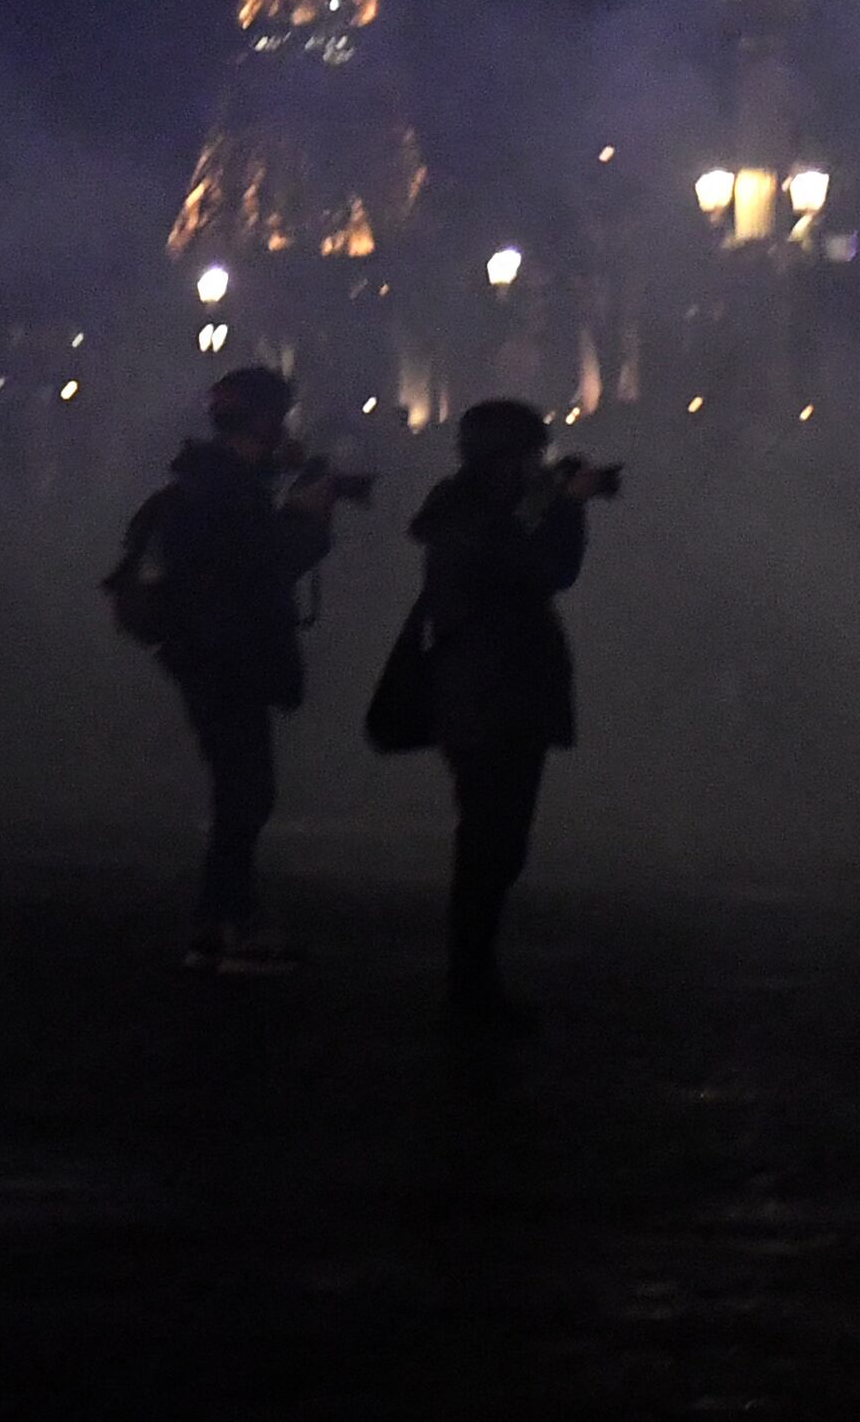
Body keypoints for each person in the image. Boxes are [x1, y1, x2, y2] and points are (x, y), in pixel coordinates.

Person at [127, 365, 355, 974]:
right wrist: (310, 519)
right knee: (246, 794)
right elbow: (262, 567)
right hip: (227, 656)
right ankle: (230, 923)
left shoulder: (210, 481)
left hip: (206, 653)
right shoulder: (228, 491)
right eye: (278, 418)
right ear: (263, 419)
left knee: (241, 791)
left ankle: (217, 922)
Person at [400, 397, 596, 1029]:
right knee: (494, 842)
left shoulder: (460, 508)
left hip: (475, 692)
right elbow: (547, 569)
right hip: (497, 695)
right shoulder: (483, 517)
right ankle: (472, 983)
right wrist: (566, 506)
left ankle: (473, 977)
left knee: (489, 839)